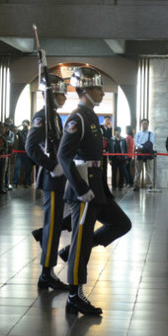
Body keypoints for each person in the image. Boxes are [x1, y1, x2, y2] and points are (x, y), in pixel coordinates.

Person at [57, 66, 131, 316]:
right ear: (85, 90)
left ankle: (72, 251)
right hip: (84, 190)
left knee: (122, 223)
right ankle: (74, 295)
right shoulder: (77, 117)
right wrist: (80, 188)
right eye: (98, 87)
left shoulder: (92, 118)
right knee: (81, 242)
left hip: (97, 187)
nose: (102, 91)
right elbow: (63, 155)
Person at [25, 75, 70, 291]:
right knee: (52, 227)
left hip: (59, 179)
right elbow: (31, 147)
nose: (64, 96)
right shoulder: (42, 116)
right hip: (52, 179)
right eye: (60, 93)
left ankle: (48, 271)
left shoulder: (55, 118)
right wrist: (52, 166)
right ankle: (46, 273)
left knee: (54, 227)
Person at [133, 119, 155, 190]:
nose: (144, 125)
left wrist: (143, 147)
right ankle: (136, 185)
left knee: (148, 170)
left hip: (148, 153)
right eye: (143, 123)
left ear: (148, 125)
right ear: (141, 124)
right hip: (139, 152)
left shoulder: (150, 134)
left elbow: (151, 142)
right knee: (138, 170)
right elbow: (136, 142)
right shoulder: (138, 134)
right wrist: (142, 147)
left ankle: (149, 185)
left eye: (146, 123)